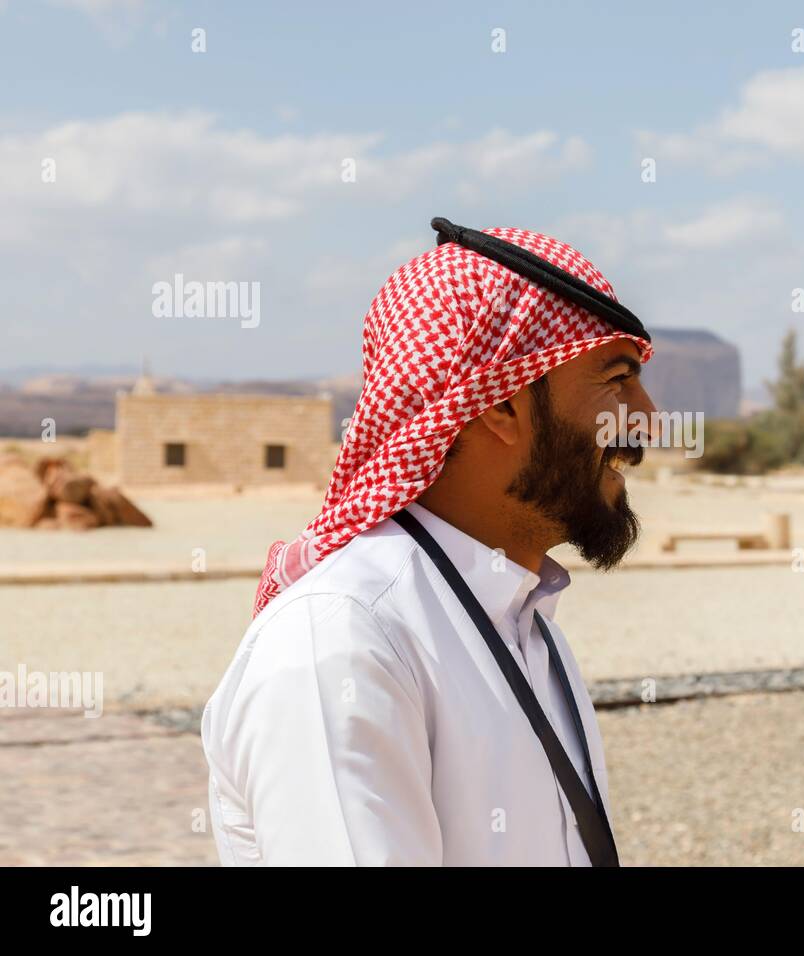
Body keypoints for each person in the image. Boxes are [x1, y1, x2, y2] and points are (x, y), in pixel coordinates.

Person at [201, 219, 657, 865]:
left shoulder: (525, 622)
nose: (646, 417)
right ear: (500, 405)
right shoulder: (346, 641)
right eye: (616, 381)